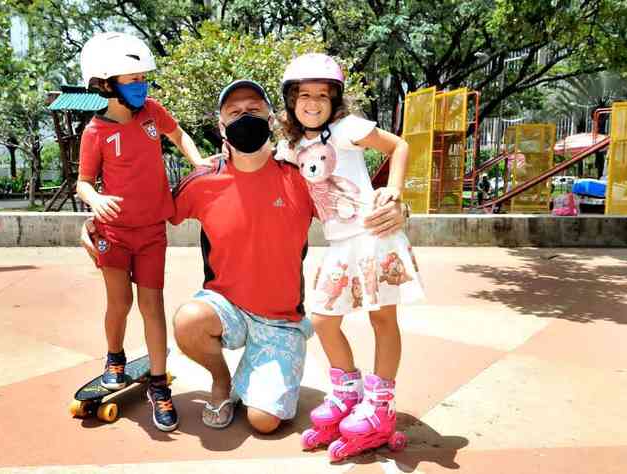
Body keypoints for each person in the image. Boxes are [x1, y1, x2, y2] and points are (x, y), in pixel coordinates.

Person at [80, 80, 409, 435]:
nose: (244, 117)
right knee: (188, 321)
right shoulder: (202, 182)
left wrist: (400, 208)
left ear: (271, 118)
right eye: (234, 112)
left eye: (253, 110)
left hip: (280, 319)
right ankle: (222, 381)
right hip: (226, 308)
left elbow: (353, 207)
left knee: (264, 422)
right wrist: (96, 222)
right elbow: (146, 213)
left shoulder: (301, 177)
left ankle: (258, 373)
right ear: (221, 126)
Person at [276, 53, 424, 460]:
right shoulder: (291, 146)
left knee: (383, 319)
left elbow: (398, 146)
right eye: (303, 94)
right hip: (339, 243)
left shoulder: (346, 129)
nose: (313, 102)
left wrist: (394, 191)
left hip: (373, 235)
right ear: (291, 100)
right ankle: (346, 394)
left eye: (323, 95)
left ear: (335, 99)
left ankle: (380, 406)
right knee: (322, 319)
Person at [75, 32, 207, 432]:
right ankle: (114, 357)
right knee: (120, 303)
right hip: (113, 233)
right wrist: (94, 199)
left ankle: (158, 384)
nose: (141, 86)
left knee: (153, 306)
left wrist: (198, 164)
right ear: (106, 84)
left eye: (142, 78)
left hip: (152, 232)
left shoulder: (152, 112)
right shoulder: (94, 132)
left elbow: (179, 134)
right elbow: (82, 181)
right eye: (131, 80)